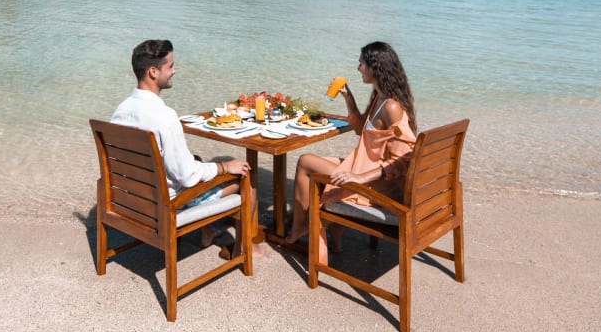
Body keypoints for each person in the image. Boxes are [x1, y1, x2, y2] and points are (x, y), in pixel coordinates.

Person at [111, 39, 260, 258]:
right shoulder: (165, 117)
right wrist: (224, 166)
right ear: (153, 71)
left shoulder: (120, 111)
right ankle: (244, 250)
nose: (174, 70)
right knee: (248, 177)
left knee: (197, 159)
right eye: (170, 66)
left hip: (135, 198)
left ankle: (207, 232)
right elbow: (187, 177)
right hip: (166, 204)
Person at [285, 41, 418, 264]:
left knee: (306, 162)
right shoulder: (380, 98)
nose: (358, 69)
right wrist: (348, 98)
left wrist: (359, 178)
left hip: (379, 185)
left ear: (375, 68)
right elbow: (360, 130)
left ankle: (300, 228)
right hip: (369, 170)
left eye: (361, 64)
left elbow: (404, 160)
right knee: (315, 163)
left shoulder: (391, 107)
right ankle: (334, 232)